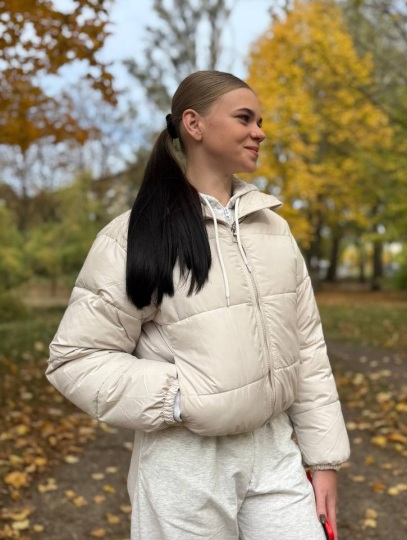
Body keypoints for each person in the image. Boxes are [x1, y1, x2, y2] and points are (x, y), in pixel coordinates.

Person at [46, 70, 350, 540]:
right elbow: (75, 358)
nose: (259, 132)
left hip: (274, 451)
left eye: (260, 121)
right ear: (194, 124)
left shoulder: (273, 229)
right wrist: (181, 397)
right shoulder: (134, 235)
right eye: (245, 118)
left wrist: (323, 459)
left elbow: (307, 347)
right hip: (184, 464)